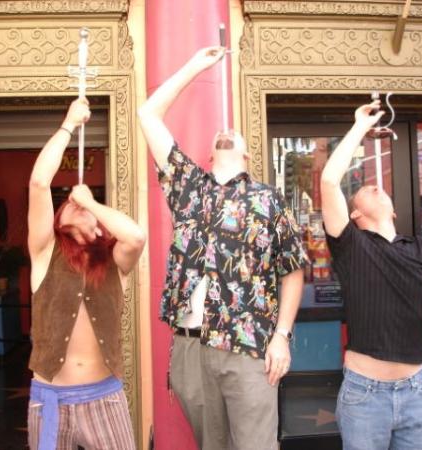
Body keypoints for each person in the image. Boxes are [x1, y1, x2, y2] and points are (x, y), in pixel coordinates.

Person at [138, 46, 306, 450]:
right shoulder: (188, 187)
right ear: (210, 154)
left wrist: (282, 336)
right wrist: (195, 65)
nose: (225, 132)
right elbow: (148, 114)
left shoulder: (268, 200)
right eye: (218, 136)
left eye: (235, 135)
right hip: (190, 346)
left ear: (247, 153)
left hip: (247, 344)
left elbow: (293, 271)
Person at [320, 99, 422, 450]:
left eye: (380, 189)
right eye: (364, 191)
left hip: (416, 391)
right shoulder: (350, 244)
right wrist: (360, 127)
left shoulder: (420, 248)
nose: (375, 187)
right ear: (355, 215)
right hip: (365, 393)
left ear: (394, 211)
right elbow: (329, 180)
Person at [27, 98, 146, 450]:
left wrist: (91, 201)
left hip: (104, 397)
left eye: (85, 207)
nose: (75, 203)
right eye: (69, 205)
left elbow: (136, 236)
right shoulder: (45, 252)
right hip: (50, 399)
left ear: (99, 226)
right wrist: (68, 124)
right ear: (58, 221)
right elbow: (39, 182)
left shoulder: (114, 260)